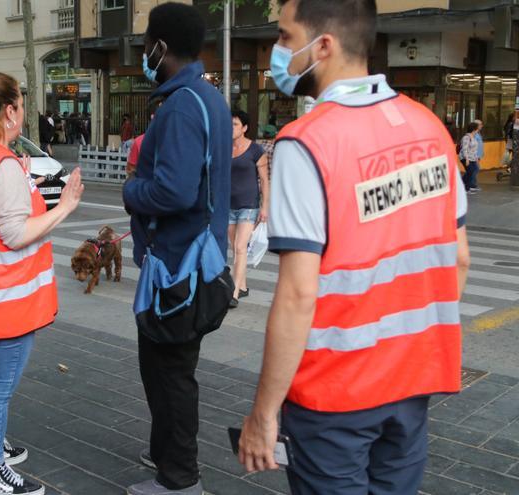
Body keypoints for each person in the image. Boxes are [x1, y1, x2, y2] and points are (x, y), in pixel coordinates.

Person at [237, 3, 471, 495]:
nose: (278, 51)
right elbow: (459, 258)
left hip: (334, 393)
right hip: (413, 381)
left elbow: (298, 295)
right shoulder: (430, 127)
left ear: (323, 45)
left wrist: (264, 412)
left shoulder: (306, 142)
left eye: (285, 36)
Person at [0, 71, 84, 495]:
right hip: (7, 298)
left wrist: (21, 179)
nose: (24, 112)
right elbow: (13, 233)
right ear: (8, 111)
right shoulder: (0, 164)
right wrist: (64, 207)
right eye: (22, 105)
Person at [122, 4, 231, 494]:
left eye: (146, 44)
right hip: (195, 262)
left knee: (169, 374)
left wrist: (132, 192)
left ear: (160, 47)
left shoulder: (183, 105)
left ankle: (180, 480)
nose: (143, 52)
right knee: (169, 368)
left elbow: (174, 191)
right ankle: (166, 455)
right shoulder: (207, 98)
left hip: (178, 270)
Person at [228, 110, 269, 309]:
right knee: (235, 248)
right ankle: (243, 286)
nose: (231, 128)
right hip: (228, 206)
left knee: (240, 247)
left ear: (244, 128)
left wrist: (264, 207)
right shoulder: (223, 148)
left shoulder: (256, 150)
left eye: (235, 124)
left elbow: (265, 181)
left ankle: (234, 292)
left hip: (248, 206)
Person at [460, 121, 481, 193]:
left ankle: (464, 183)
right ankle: (466, 187)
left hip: (472, 158)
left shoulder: (474, 138)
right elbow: (464, 149)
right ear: (474, 129)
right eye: (477, 129)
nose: (478, 130)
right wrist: (466, 159)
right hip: (465, 157)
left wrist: (476, 158)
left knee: (475, 169)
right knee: (470, 171)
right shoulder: (466, 137)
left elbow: (474, 150)